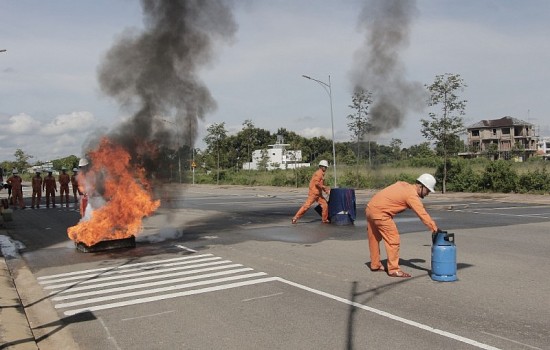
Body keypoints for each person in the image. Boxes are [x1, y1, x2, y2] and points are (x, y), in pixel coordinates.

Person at [365, 173, 439, 278]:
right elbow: (421, 213)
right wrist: (434, 228)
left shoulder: (403, 185)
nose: (427, 194)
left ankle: (375, 264)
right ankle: (394, 270)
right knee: (393, 240)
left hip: (370, 208)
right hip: (381, 214)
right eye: (427, 190)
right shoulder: (411, 195)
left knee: (374, 239)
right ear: (421, 186)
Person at [292, 160, 331, 224]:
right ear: (321, 167)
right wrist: (325, 188)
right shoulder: (318, 173)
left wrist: (326, 190)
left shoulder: (321, 174)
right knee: (306, 206)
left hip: (318, 194)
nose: (326, 168)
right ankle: (295, 218)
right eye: (325, 167)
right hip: (313, 193)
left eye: (326, 167)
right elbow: (317, 183)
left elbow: (320, 184)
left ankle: (324, 219)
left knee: (325, 205)